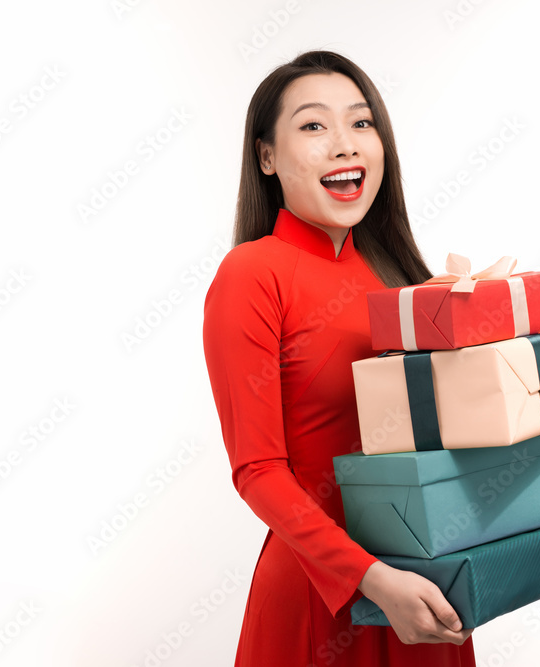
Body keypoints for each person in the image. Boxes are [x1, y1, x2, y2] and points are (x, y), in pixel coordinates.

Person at [202, 50, 476, 666]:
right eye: (312, 126)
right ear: (266, 157)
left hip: (425, 585)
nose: (344, 145)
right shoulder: (253, 274)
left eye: (361, 122)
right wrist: (372, 579)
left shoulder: (399, 278)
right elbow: (258, 470)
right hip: (327, 591)